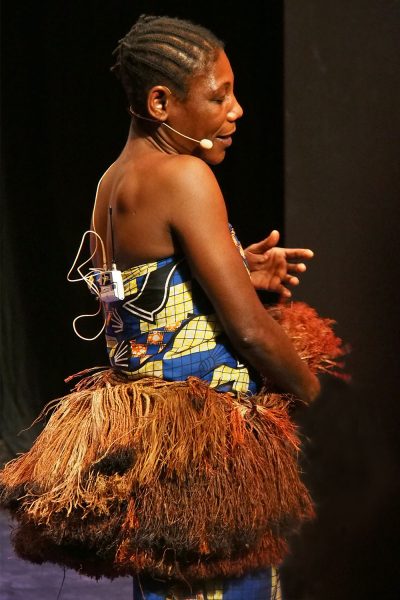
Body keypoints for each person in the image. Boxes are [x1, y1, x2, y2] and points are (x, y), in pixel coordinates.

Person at [0, 14, 346, 600]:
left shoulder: (113, 181)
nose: (236, 111)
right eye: (219, 96)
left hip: (157, 455)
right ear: (161, 102)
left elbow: (135, 303)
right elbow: (252, 332)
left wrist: (241, 269)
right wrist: (321, 400)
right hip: (209, 458)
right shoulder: (185, 175)